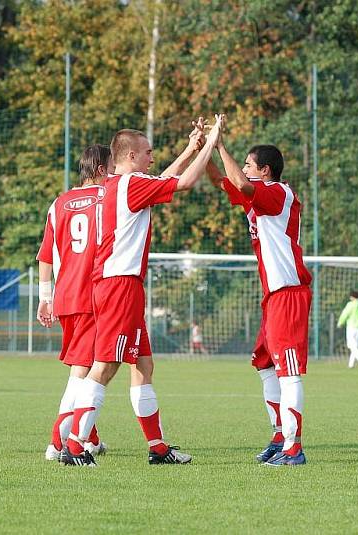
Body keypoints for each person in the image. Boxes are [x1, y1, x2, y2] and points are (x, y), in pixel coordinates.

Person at [61, 115, 223, 466]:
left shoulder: (117, 185)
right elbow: (184, 183)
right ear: (131, 156)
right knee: (105, 366)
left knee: (143, 365)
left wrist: (190, 148)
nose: (153, 157)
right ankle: (74, 445)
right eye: (148, 152)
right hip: (120, 285)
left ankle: (158, 447)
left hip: (117, 285)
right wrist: (212, 144)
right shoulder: (131, 185)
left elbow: (163, 180)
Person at [205, 116, 312, 466]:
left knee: (288, 372)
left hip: (289, 292)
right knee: (265, 365)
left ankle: (295, 449)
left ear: (264, 171)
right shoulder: (257, 198)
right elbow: (222, 180)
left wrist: (221, 144)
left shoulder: (279, 193)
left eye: (250, 164)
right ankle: (280, 436)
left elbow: (237, 179)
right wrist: (203, 147)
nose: (245, 169)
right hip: (273, 297)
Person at [36, 144, 110, 462]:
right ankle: (57, 442)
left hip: (65, 296)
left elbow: (46, 254)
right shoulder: (107, 199)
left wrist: (44, 297)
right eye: (111, 168)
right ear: (100, 170)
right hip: (91, 295)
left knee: (89, 364)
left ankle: (89, 437)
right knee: (82, 372)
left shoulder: (59, 203)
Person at [338, 290, 358, 368]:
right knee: (356, 346)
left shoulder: (351, 305)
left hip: (352, 327)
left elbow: (345, 314)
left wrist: (340, 322)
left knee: (352, 346)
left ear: (353, 297)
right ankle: (351, 364)